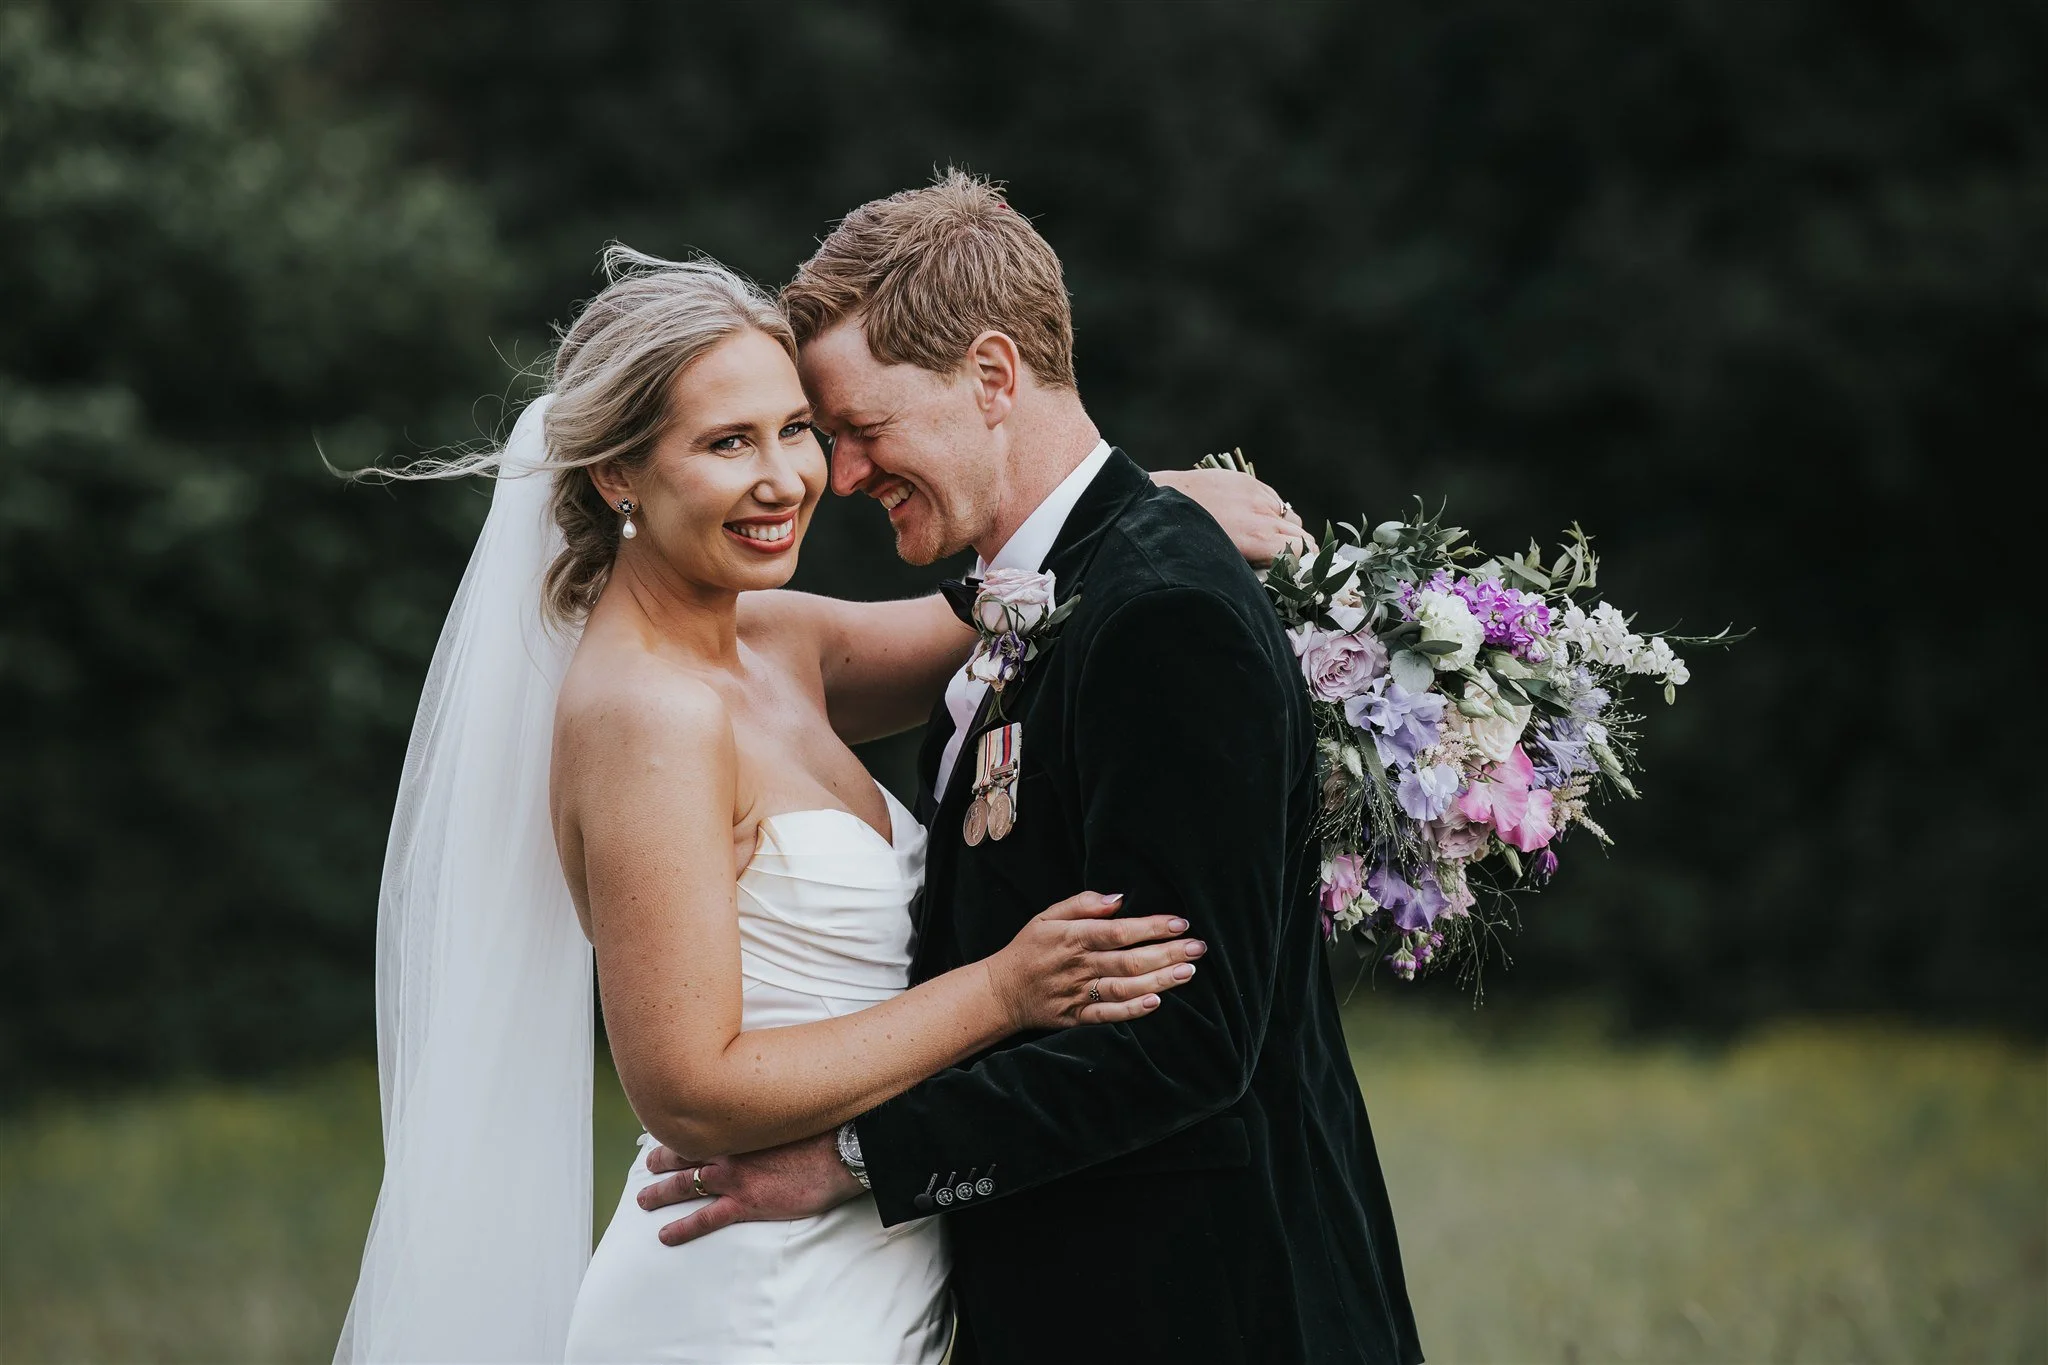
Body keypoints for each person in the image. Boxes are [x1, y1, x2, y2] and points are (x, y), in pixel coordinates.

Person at [333, 245, 1300, 1364]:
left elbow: (1020, 589)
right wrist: (1000, 990)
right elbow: (693, 1088)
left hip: (876, 1265)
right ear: (616, 476)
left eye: (796, 428)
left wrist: (1162, 500)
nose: (788, 478)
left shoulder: (772, 640)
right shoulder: (644, 718)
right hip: (753, 1296)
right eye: (724, 443)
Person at [639, 172, 1426, 1365]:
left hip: (1210, 1304)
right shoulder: (1058, 590)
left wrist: (854, 1158)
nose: (838, 477)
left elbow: (1183, 1039)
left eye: (859, 428)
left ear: (991, 378)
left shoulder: (1159, 612)